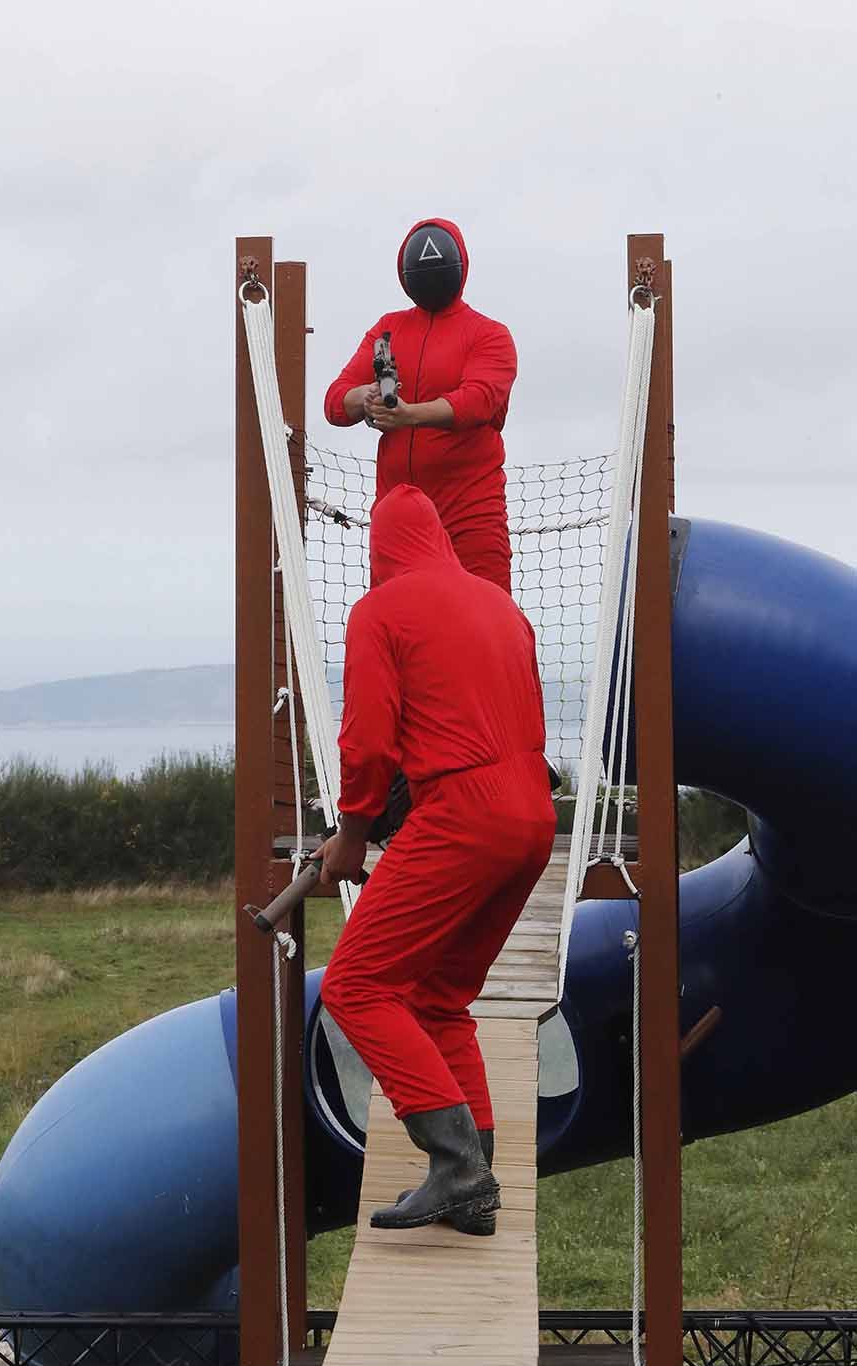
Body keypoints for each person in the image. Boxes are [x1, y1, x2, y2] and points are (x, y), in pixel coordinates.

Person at [317, 484, 555, 1233]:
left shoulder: (379, 612)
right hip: (534, 814)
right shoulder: (502, 608)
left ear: (379, 550)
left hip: (464, 812)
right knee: (440, 999)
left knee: (355, 986)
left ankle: (453, 1166)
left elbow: (368, 742)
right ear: (441, 538)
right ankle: (476, 1186)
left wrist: (352, 835)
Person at [324, 218, 518, 595]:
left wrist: (408, 414)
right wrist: (366, 397)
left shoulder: (490, 334)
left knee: (481, 627)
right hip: (399, 523)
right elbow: (335, 402)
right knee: (398, 631)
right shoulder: (387, 330)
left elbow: (477, 401)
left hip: (469, 517)